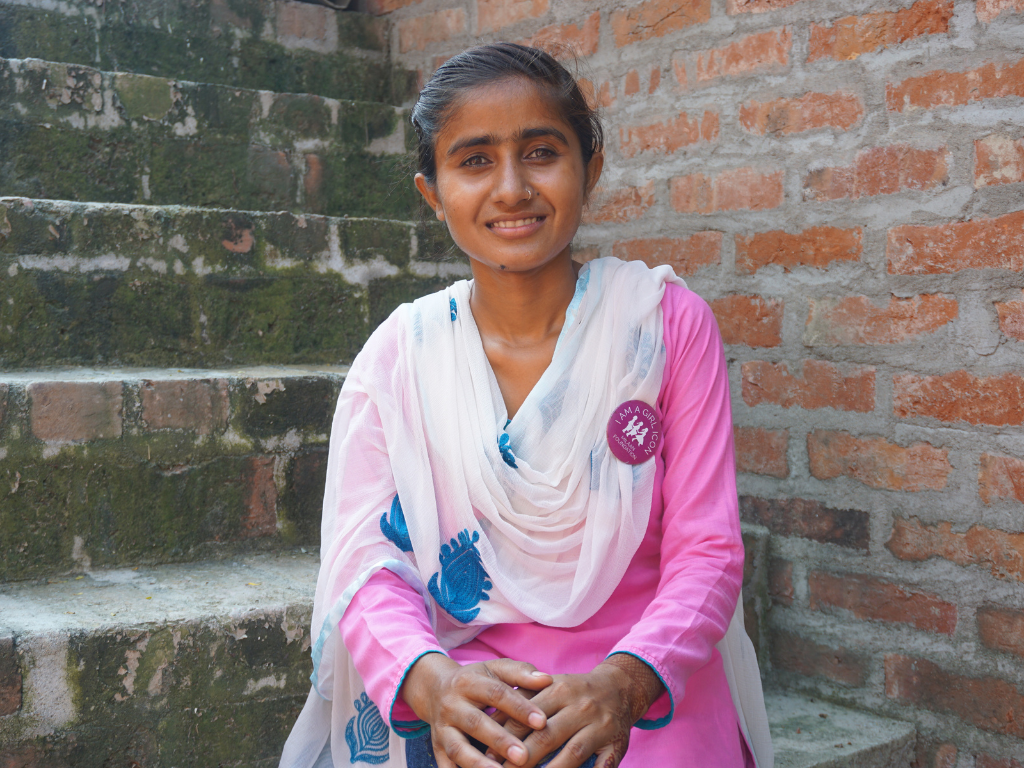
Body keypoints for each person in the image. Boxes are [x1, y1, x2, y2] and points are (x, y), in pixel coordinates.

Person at [280, 43, 772, 768]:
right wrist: (434, 685)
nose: (511, 189)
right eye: (475, 161)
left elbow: (708, 551)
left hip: (648, 684)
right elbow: (366, 562)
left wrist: (624, 685)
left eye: (541, 152)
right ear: (433, 193)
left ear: (589, 169)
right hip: (465, 692)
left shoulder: (662, 327)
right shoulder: (401, 357)